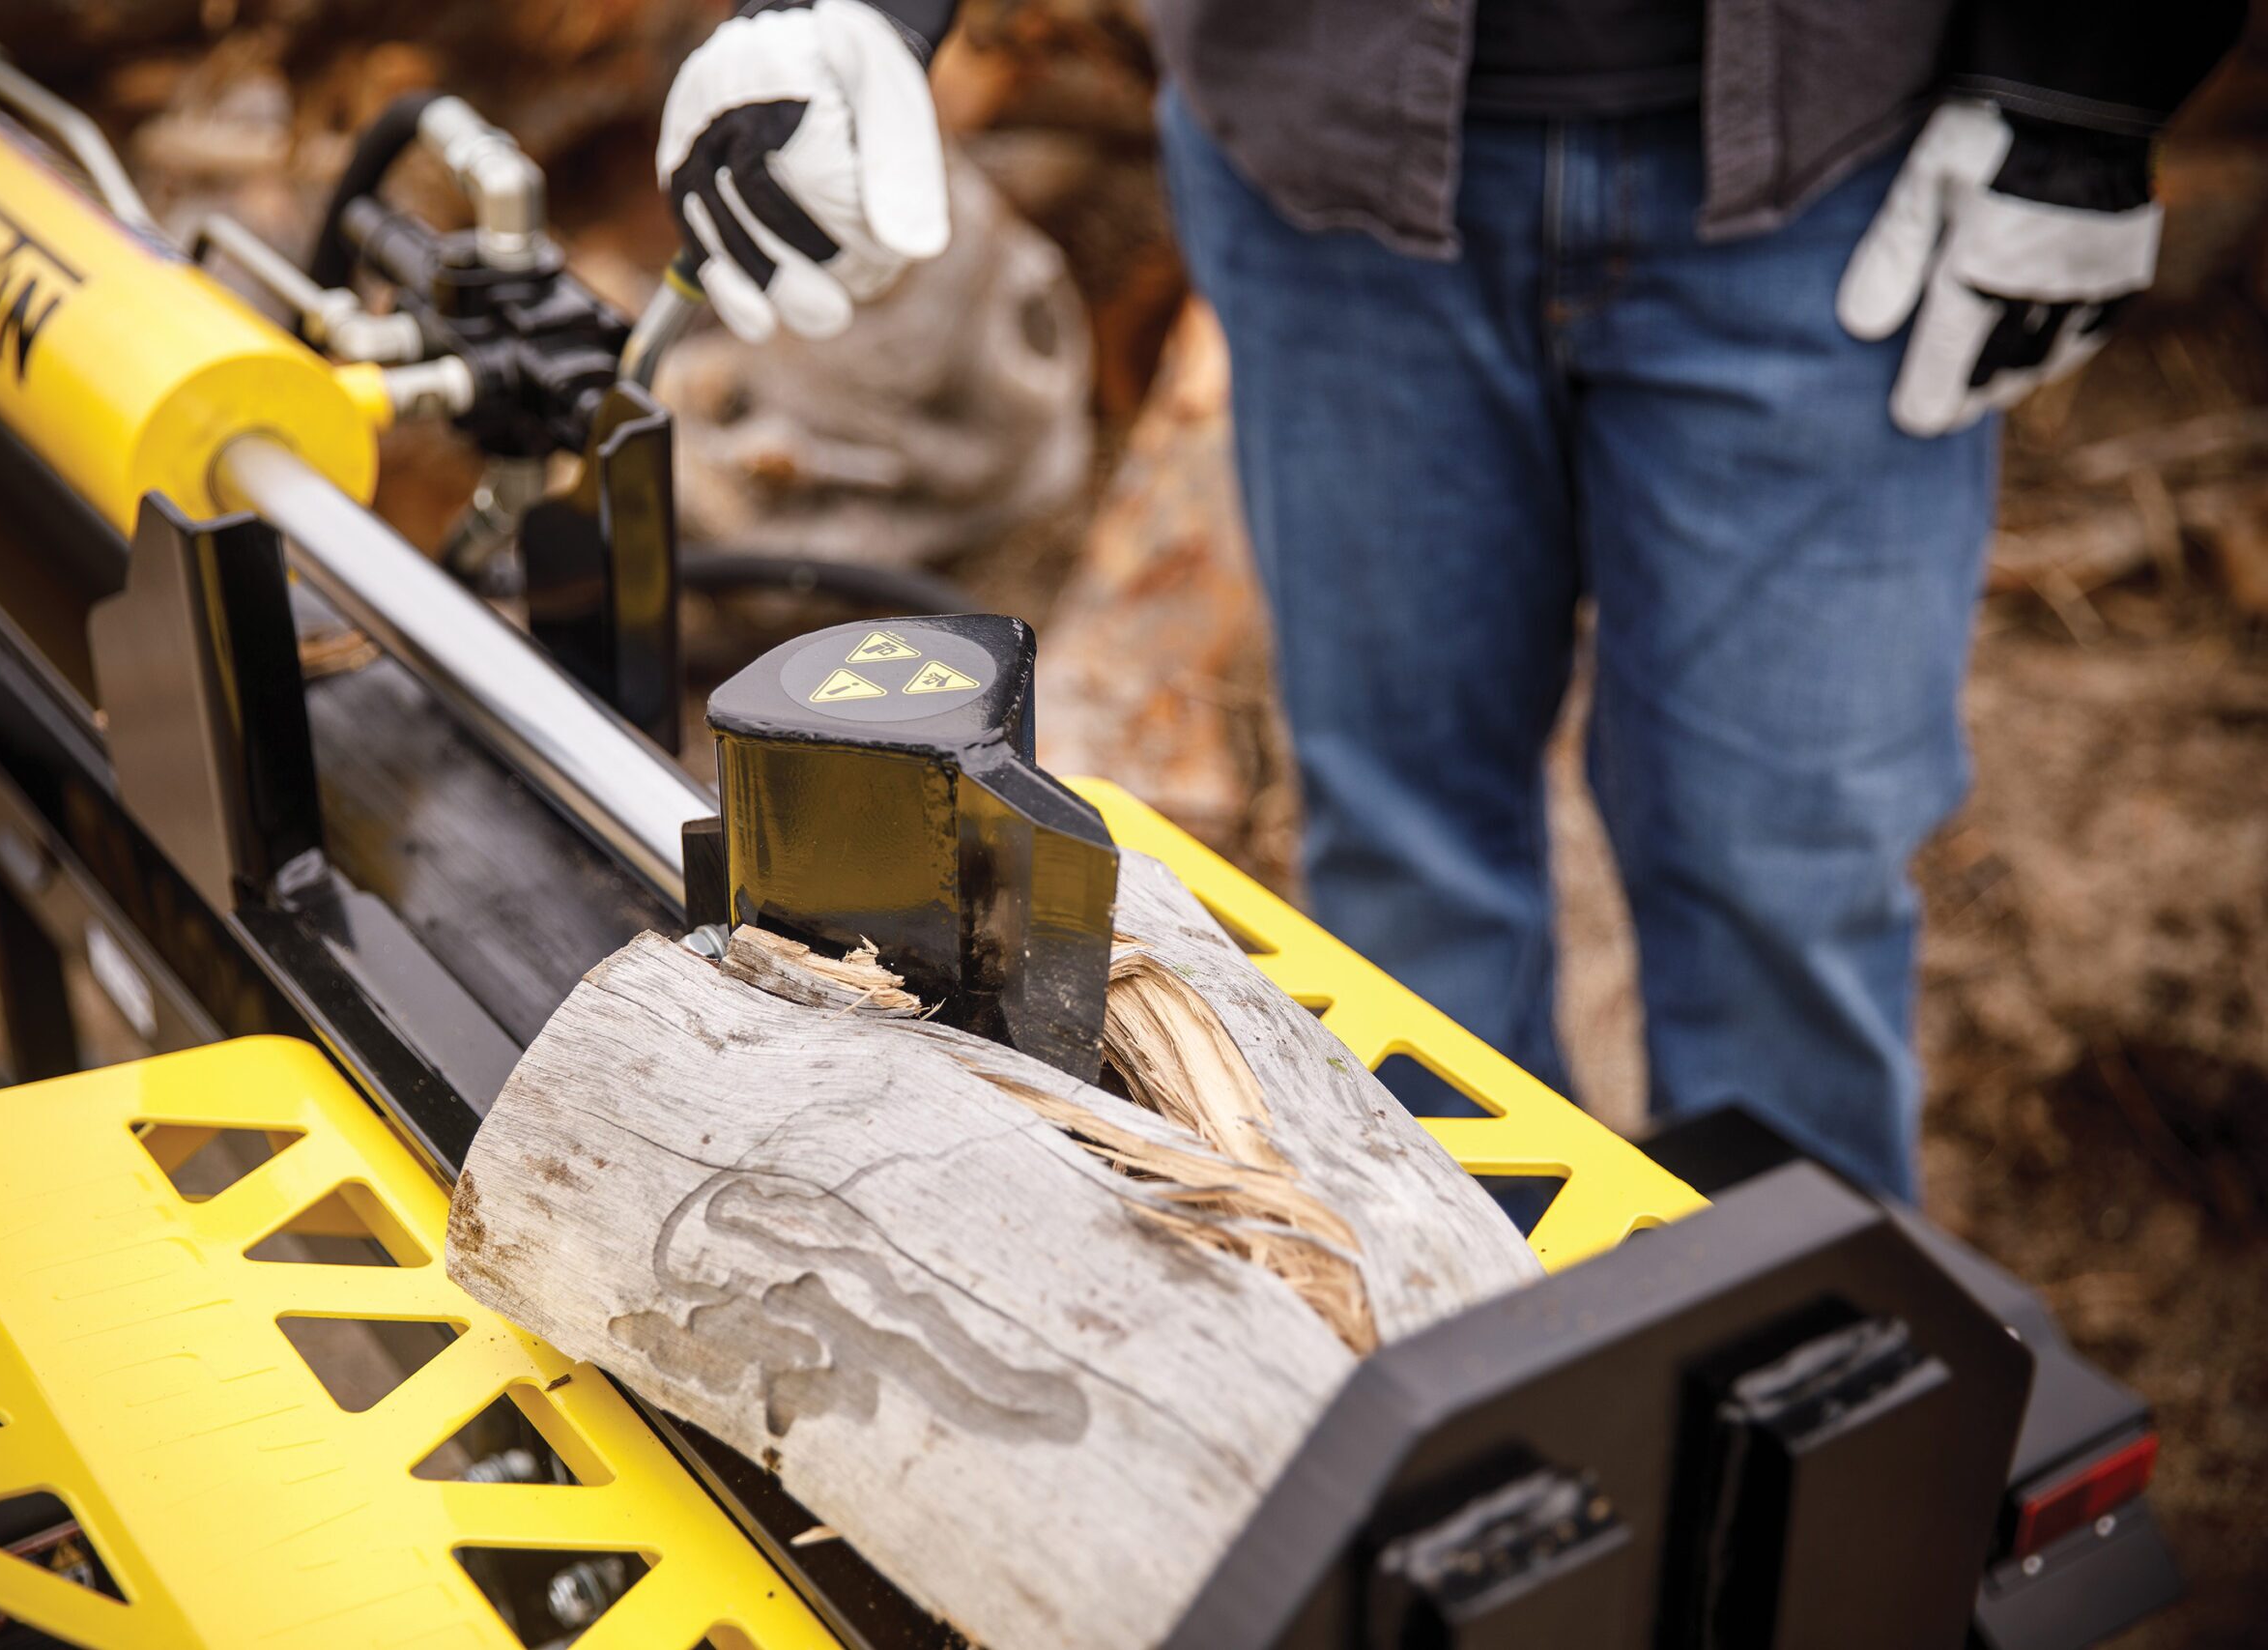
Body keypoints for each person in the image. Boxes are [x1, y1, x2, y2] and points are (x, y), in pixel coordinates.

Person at [653, 0, 2246, 1199]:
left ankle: (1823, 1424)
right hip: (1333, 168)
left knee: (1787, 863)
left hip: (1834, 174)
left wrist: (2084, 70)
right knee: (1407, 844)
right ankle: (1483, 1392)